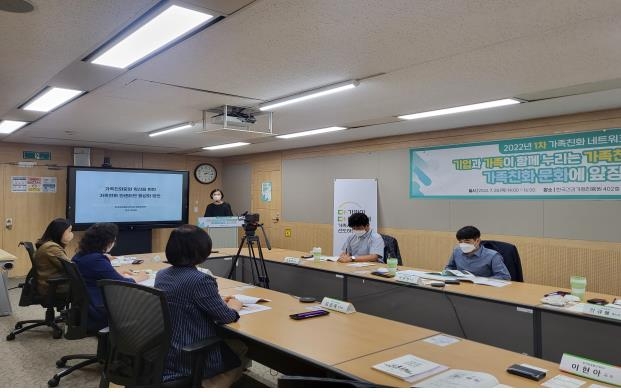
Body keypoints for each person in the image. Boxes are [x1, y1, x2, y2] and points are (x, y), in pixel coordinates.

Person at [155, 224, 247, 387]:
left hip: (167, 352)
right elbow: (226, 317)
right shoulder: (200, 280)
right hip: (191, 354)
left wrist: (215, 301)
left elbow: (186, 301)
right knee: (240, 347)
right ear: (202, 252)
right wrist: (235, 306)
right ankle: (205, 384)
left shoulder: (162, 274)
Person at [72, 223, 148, 332]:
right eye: (113, 240)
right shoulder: (97, 260)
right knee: (145, 299)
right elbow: (122, 283)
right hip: (100, 307)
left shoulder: (81, 255)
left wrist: (116, 271)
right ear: (106, 242)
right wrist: (140, 277)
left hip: (89, 304)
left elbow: (100, 274)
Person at [445, 225, 511, 280]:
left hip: (483, 288)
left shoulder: (493, 256)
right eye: (460, 242)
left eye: (467, 241)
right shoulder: (457, 251)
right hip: (461, 285)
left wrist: (482, 280)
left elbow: (504, 276)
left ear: (478, 240)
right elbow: (449, 267)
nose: (463, 244)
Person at [33, 218, 74, 297]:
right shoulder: (51, 247)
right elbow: (71, 269)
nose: (71, 234)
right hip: (53, 287)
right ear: (60, 232)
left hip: (50, 284)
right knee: (89, 286)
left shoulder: (48, 244)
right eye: (69, 231)